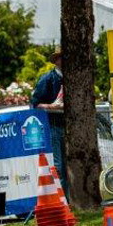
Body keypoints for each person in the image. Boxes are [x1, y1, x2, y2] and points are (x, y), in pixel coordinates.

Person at [30, 49, 65, 180]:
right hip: (53, 126)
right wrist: (52, 107)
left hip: (69, 127)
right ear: (56, 61)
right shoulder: (47, 79)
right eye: (62, 57)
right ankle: (62, 199)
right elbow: (35, 104)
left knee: (69, 166)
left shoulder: (73, 79)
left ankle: (68, 198)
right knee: (59, 166)